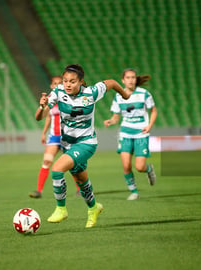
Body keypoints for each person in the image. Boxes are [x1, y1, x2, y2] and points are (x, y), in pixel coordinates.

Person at [35, 64, 131, 228]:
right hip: (68, 144)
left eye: (72, 81)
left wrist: (125, 95)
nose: (68, 84)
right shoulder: (58, 92)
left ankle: (61, 209)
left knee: (57, 169)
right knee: (81, 180)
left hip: (86, 143)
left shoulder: (91, 92)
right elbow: (39, 117)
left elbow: (113, 82)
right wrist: (42, 106)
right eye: (65, 81)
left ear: (81, 82)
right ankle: (94, 208)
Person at [104, 69, 157, 200]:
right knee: (126, 165)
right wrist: (111, 121)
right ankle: (134, 191)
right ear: (123, 80)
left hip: (141, 133)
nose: (131, 80)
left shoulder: (144, 94)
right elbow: (116, 117)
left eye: (133, 77)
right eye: (128, 77)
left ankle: (148, 170)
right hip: (125, 133)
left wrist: (149, 126)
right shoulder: (118, 96)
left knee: (139, 167)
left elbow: (154, 111)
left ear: (135, 79)